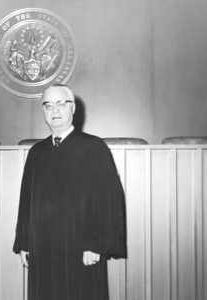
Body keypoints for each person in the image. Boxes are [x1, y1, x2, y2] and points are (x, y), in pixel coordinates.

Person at [13, 85, 127, 300]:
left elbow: (108, 199)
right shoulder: (37, 152)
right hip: (43, 246)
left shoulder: (93, 148)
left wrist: (95, 245)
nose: (54, 110)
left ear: (72, 108)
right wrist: (24, 243)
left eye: (60, 103)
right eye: (48, 105)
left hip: (82, 247)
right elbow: (26, 201)